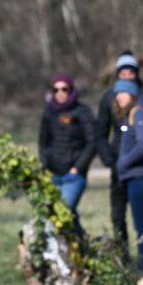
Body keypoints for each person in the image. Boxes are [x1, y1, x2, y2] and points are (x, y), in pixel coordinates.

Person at [96, 50, 143, 247]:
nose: (127, 75)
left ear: (137, 72)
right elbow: (100, 134)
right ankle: (123, 254)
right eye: (123, 71)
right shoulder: (109, 98)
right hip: (118, 165)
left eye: (131, 71)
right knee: (118, 214)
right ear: (117, 73)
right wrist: (110, 161)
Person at [113, 79, 143, 271]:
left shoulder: (139, 113)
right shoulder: (130, 115)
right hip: (137, 177)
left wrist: (123, 162)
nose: (119, 96)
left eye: (123, 93)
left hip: (141, 178)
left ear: (132, 94)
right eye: (117, 93)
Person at [38, 74, 95, 226]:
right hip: (52, 174)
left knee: (64, 211)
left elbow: (92, 142)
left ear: (71, 90)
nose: (60, 93)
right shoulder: (49, 112)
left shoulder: (82, 112)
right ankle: (81, 245)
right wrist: (43, 164)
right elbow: (43, 142)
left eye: (64, 89)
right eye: (56, 90)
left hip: (73, 176)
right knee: (57, 216)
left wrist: (78, 167)